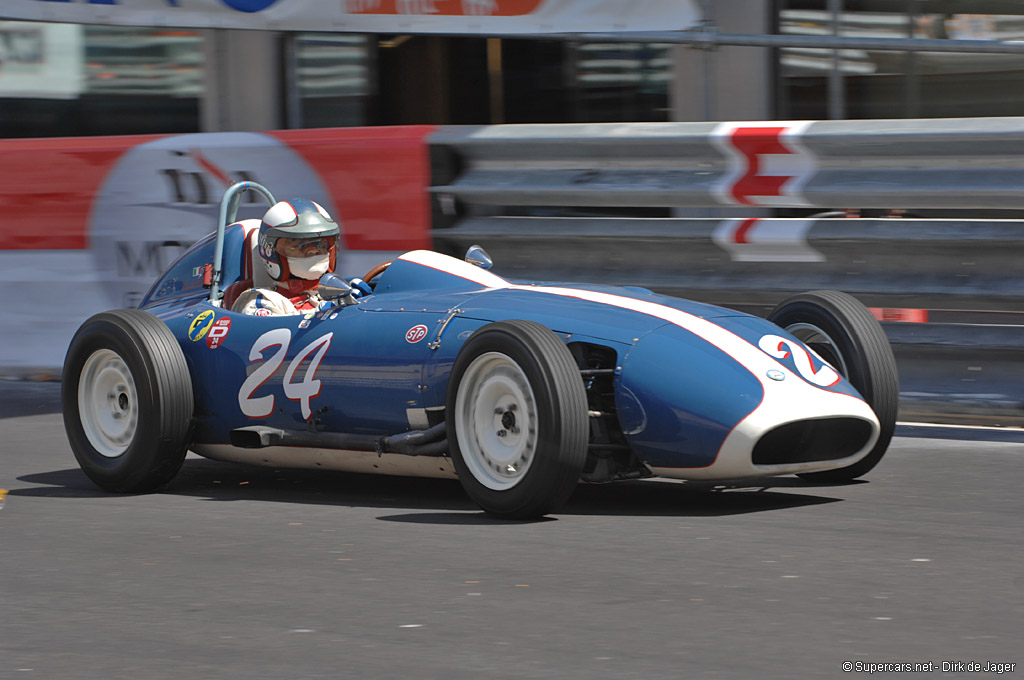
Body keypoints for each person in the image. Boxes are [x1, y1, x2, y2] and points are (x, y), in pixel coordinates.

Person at [232, 198, 366, 316]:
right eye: (301, 245)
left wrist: (364, 303)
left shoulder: (337, 292)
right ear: (271, 251)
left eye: (321, 244)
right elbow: (274, 336)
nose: (314, 251)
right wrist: (326, 313)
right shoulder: (260, 301)